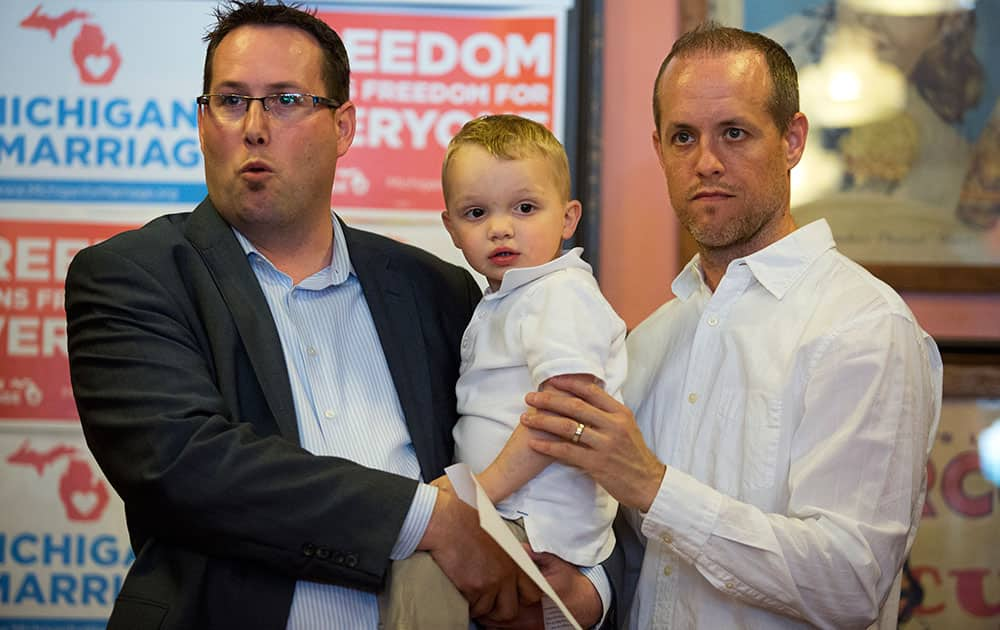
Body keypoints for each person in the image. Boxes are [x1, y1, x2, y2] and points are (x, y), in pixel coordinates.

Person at [63, 2, 555, 628]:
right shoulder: (133, 275)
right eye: (231, 100)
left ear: (343, 127)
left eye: (288, 100)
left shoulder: (439, 292)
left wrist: (576, 586)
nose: (255, 127)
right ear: (202, 121)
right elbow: (185, 465)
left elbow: (509, 449)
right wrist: (425, 519)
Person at [521, 23, 943, 629]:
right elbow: (633, 567)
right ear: (659, 148)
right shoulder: (646, 342)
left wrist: (654, 487)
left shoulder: (863, 327)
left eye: (735, 133)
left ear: (793, 139)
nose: (706, 162)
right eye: (683, 137)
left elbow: (852, 582)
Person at [378, 114, 627, 630]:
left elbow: (564, 412)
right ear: (450, 228)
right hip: (515, 514)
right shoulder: (507, 299)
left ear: (568, 217)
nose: (500, 227)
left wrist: (479, 493)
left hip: (537, 523)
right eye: (476, 212)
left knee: (423, 573)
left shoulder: (561, 293)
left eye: (525, 207)